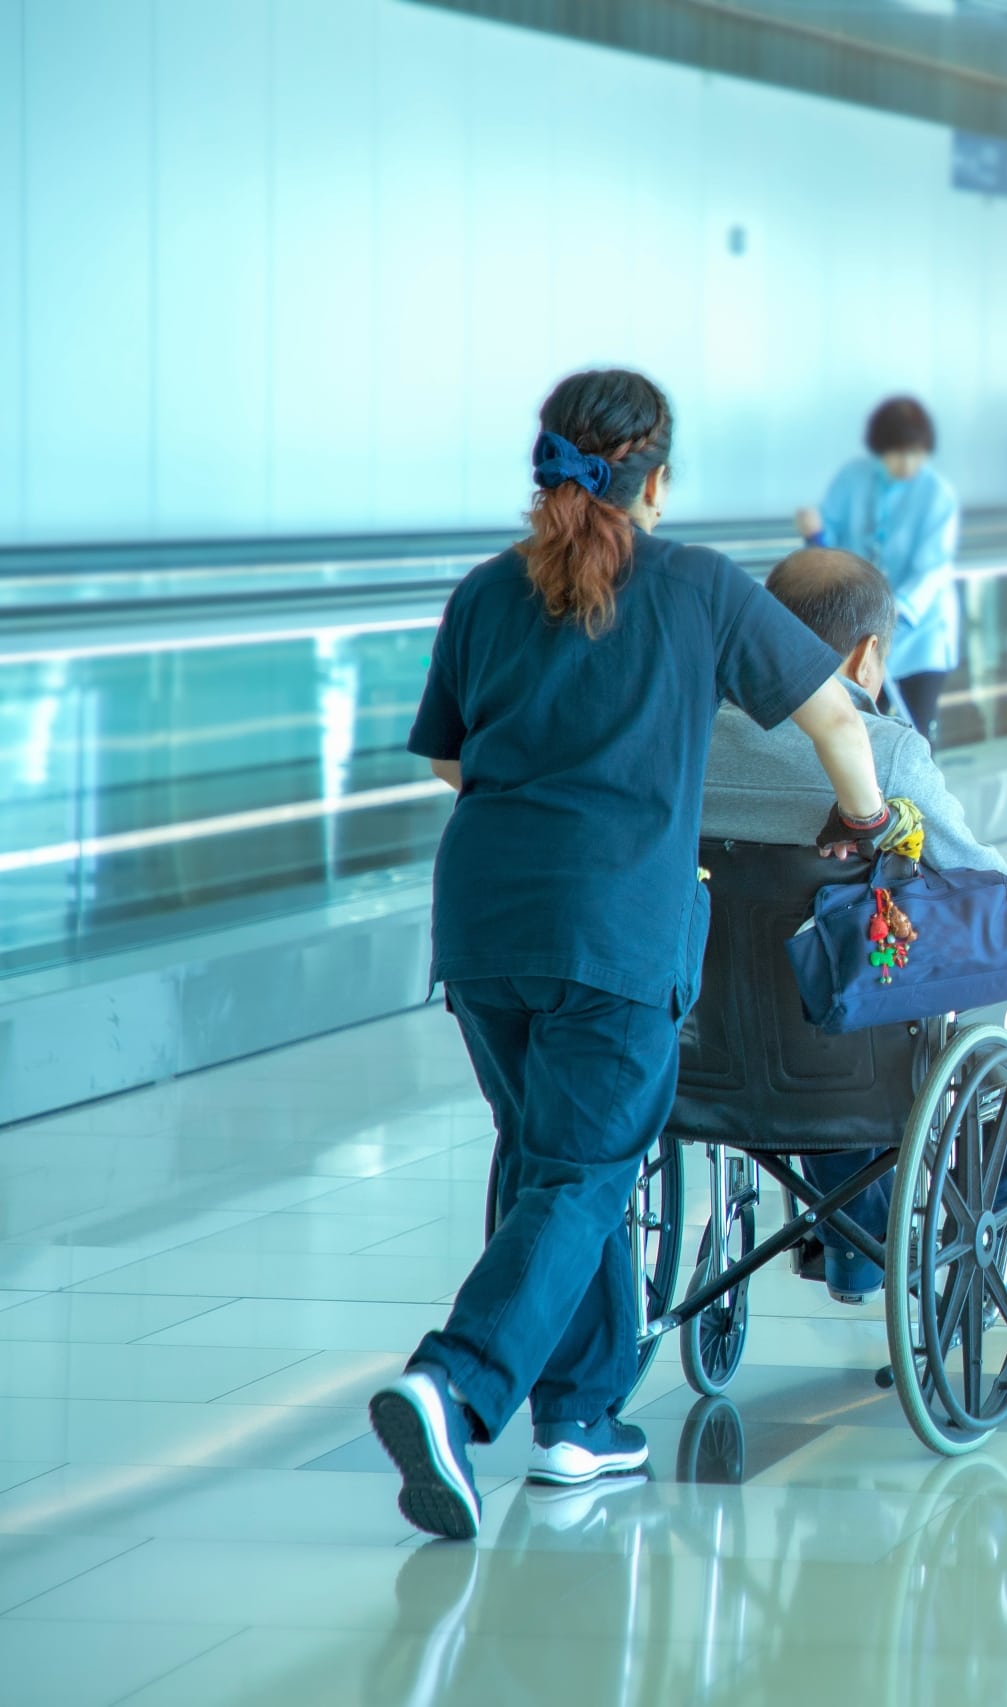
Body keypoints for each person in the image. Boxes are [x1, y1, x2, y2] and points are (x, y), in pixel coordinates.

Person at [372, 369, 887, 1540]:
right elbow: (836, 718)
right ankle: (456, 1386)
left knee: (552, 1159)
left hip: (487, 924)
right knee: (585, 1170)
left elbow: (452, 762)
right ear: (656, 478)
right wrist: (860, 824)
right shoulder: (697, 587)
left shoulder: (487, 593)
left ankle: (579, 1421)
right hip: (614, 925)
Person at [699, 547, 1007, 1302]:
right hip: (843, 1068)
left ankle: (851, 1247)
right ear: (868, 654)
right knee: (890, 1007)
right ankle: (978, 1231)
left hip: (703, 1058)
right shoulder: (885, 753)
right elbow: (979, 881)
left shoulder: (691, 739)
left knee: (815, 1017)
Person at [796, 397, 962, 746]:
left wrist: (892, 611)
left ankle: (916, 799)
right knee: (859, 727)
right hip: (862, 631)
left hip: (919, 632)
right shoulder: (853, 479)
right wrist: (815, 534)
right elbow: (830, 544)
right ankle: (867, 800)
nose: (908, 463)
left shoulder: (937, 495)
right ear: (880, 449)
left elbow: (932, 570)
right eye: (899, 453)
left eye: (917, 453)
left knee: (916, 731)